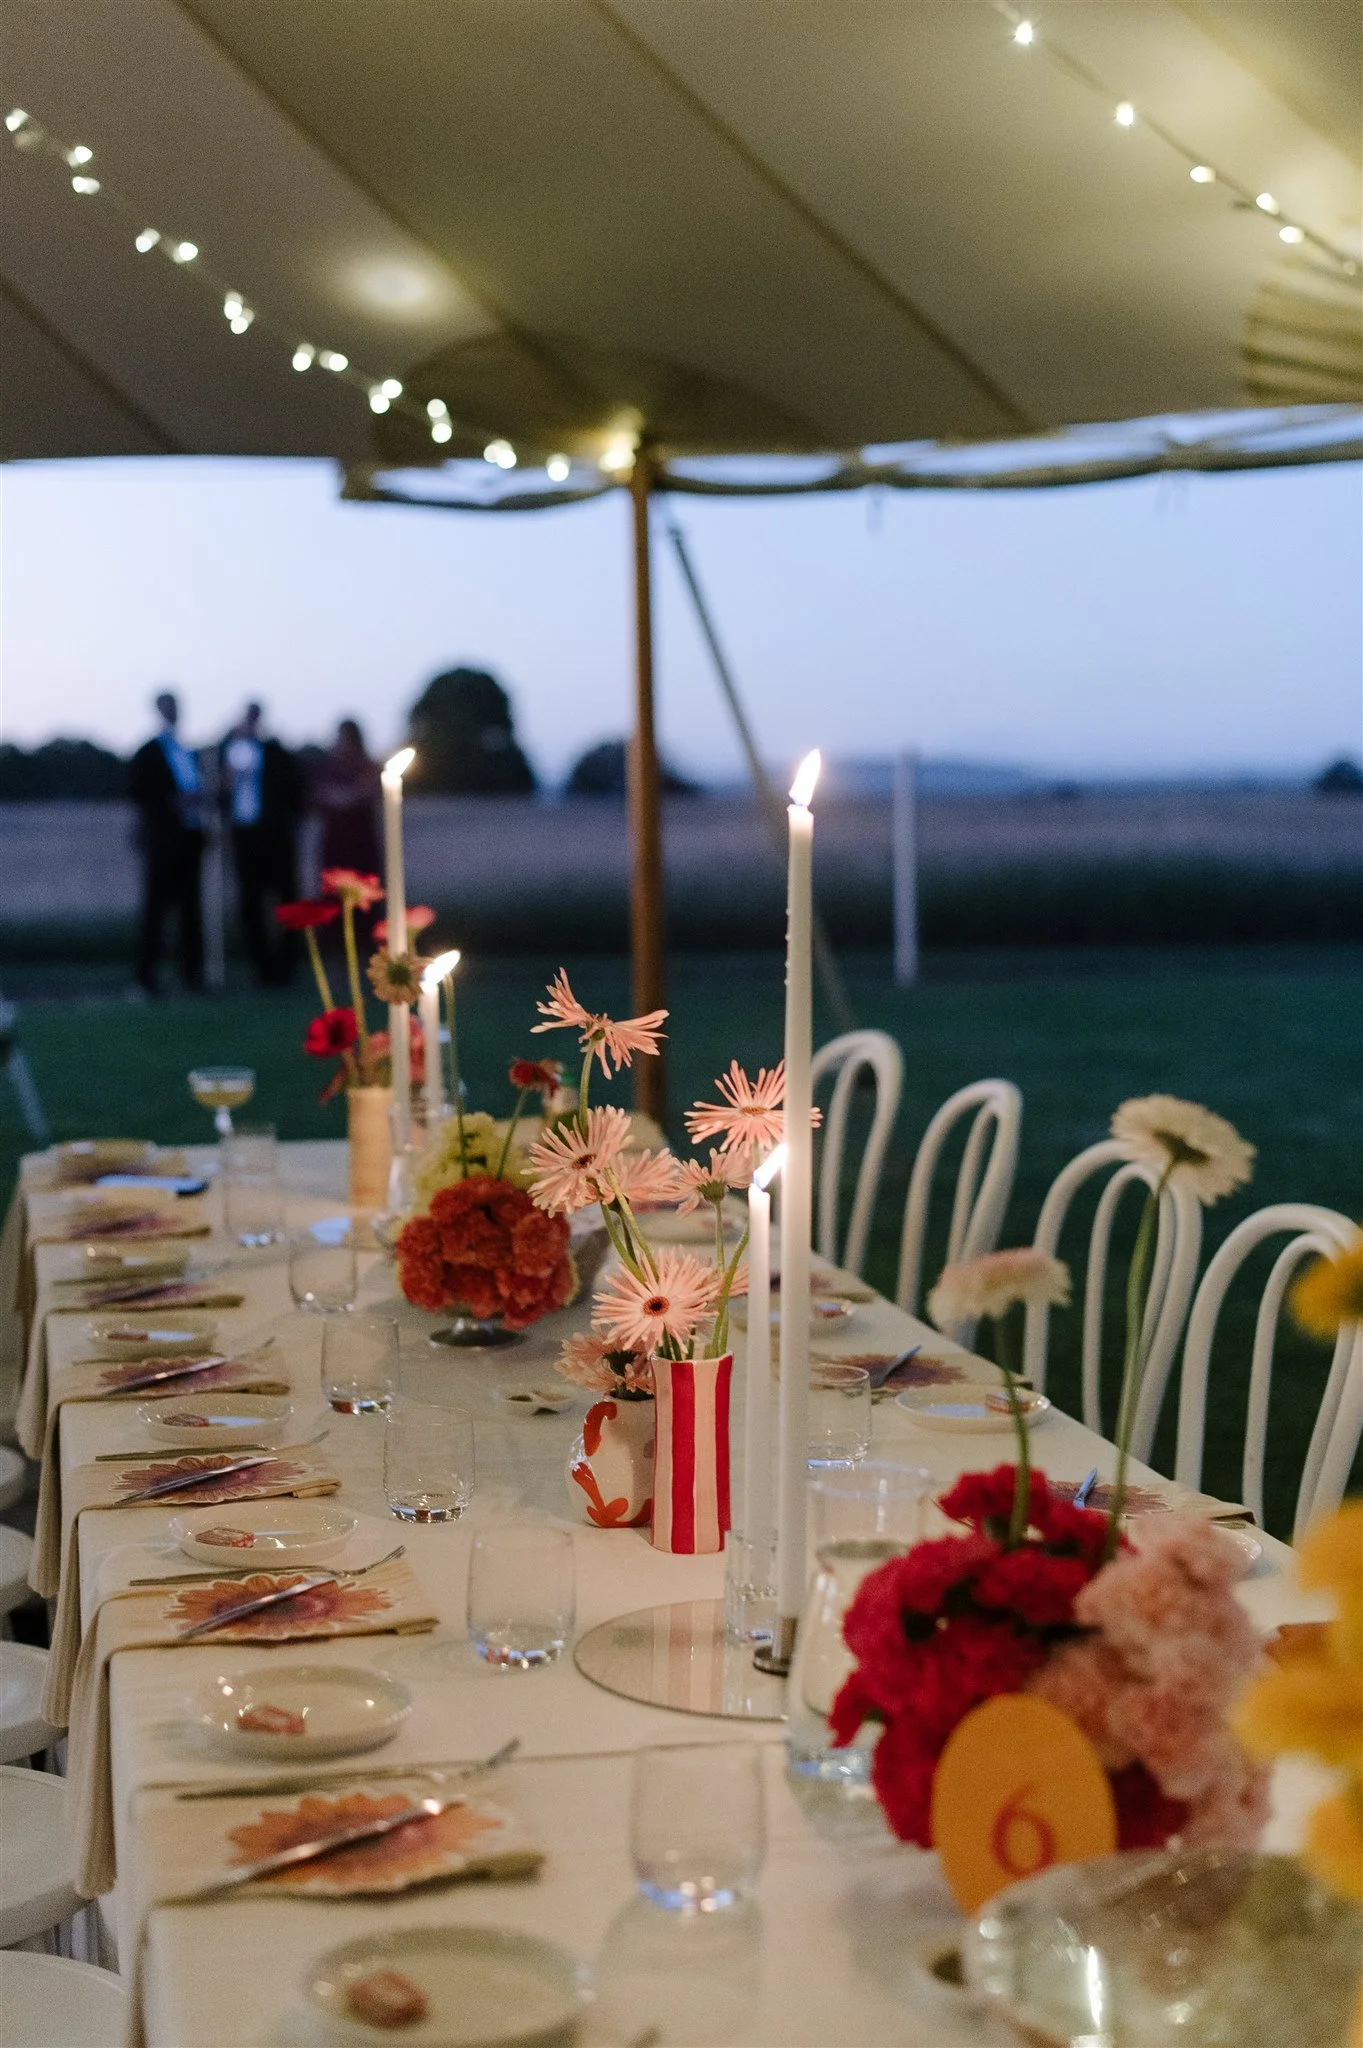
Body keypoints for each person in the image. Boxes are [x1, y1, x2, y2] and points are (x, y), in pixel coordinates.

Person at [219, 702, 304, 985]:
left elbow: (294, 792)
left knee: (286, 898)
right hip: (245, 836)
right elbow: (219, 795)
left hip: (275, 836)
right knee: (250, 902)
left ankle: (288, 965)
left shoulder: (275, 752)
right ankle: (261, 966)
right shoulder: (227, 751)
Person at [128, 691, 205, 996]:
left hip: (189, 840)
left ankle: (192, 975)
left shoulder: (190, 752)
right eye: (168, 708)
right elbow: (138, 792)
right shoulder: (148, 752)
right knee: (155, 911)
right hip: (163, 843)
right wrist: (172, 803)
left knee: (191, 911)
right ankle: (145, 978)